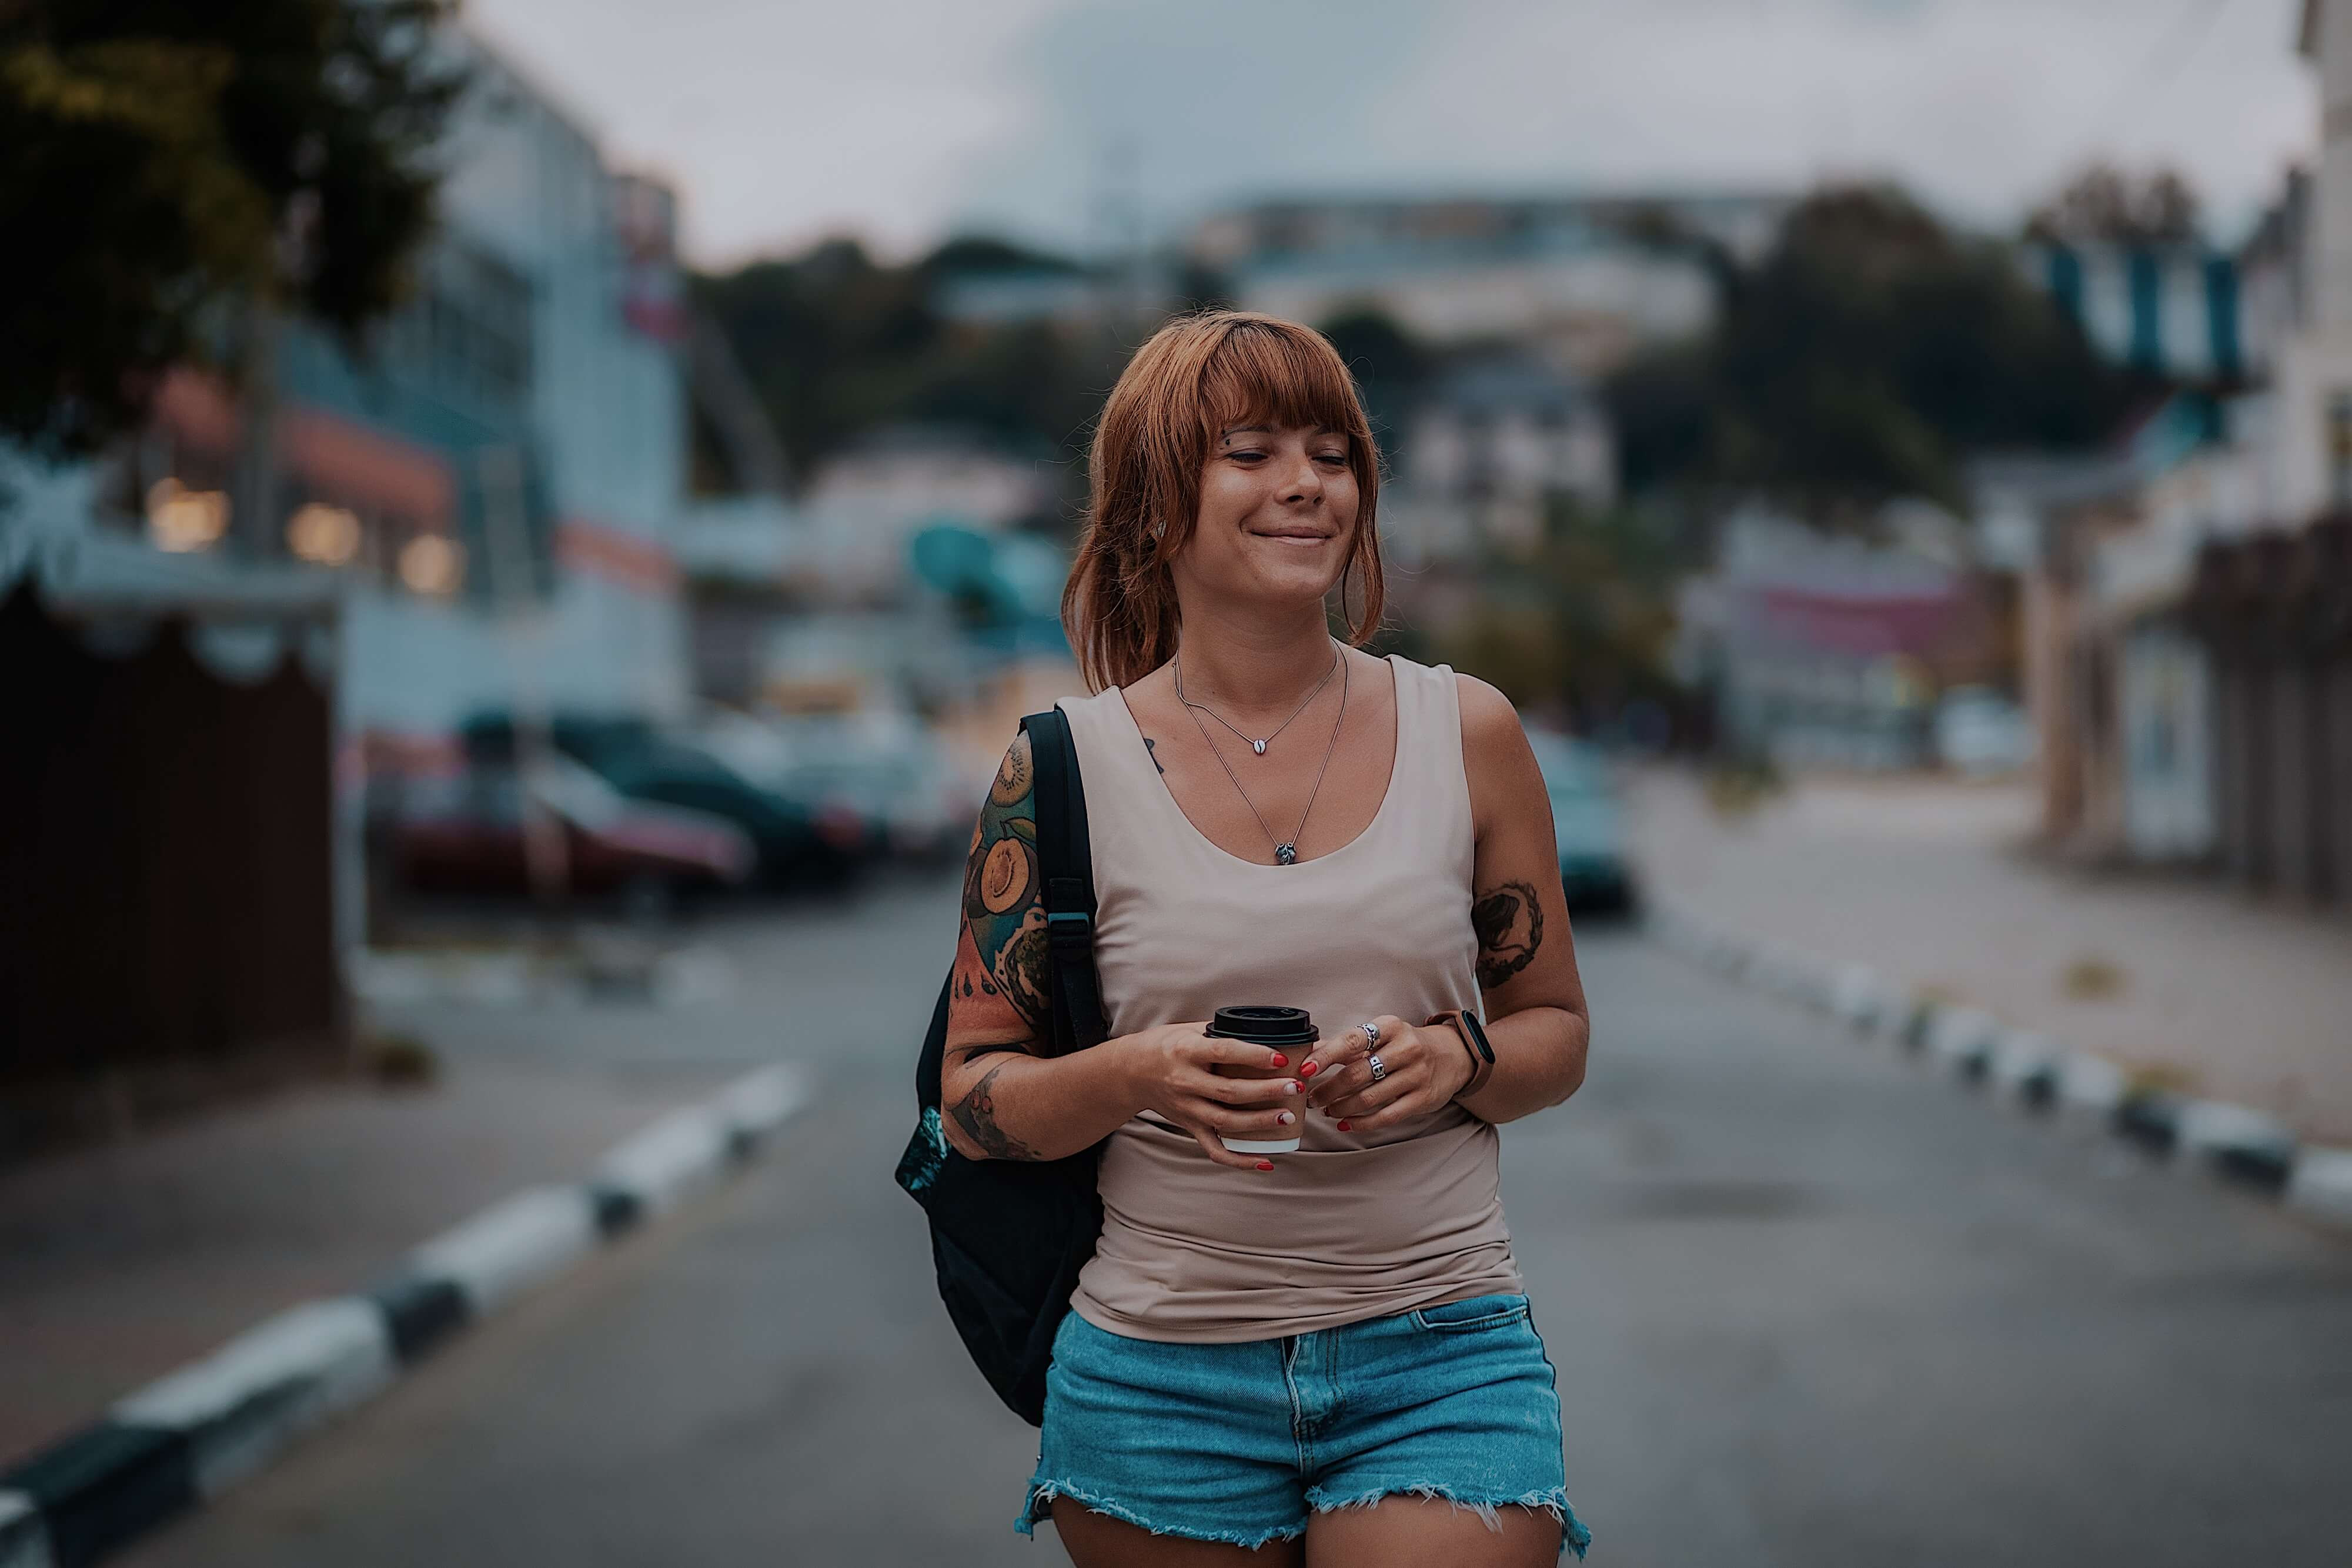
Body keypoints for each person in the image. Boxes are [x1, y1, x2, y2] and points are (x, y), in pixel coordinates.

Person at [941, 310, 1593, 1566]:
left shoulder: (1468, 730)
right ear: (1150, 504)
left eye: (1331, 451)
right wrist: (1140, 1071)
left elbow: (1554, 1031)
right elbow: (969, 1096)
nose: (1303, 482)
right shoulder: (1056, 766)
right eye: (1247, 450)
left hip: (1440, 1349)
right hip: (1153, 1377)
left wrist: (1457, 1059)